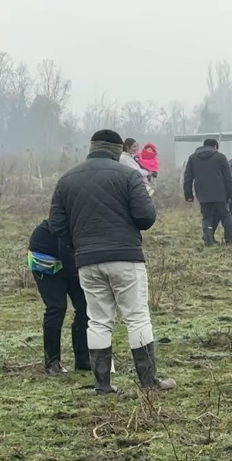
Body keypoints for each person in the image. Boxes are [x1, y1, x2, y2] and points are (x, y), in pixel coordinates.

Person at [48, 129, 174, 393]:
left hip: (87, 261)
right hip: (125, 257)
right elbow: (146, 218)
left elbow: (57, 225)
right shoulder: (129, 175)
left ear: (92, 147)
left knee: (98, 320)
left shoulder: (66, 179)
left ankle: (103, 385)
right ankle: (149, 382)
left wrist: (80, 246)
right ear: (119, 150)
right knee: (137, 318)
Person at [27, 219, 88, 375]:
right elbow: (65, 250)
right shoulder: (66, 215)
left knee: (85, 307)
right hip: (45, 258)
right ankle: (52, 363)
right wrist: (78, 274)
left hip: (69, 258)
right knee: (57, 308)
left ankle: (84, 361)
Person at [183, 139, 232, 246]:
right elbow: (228, 178)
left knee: (207, 217)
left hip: (203, 193)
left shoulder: (193, 158)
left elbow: (188, 178)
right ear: (215, 146)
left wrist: (188, 195)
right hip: (221, 193)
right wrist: (231, 194)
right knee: (226, 216)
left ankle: (208, 240)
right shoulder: (221, 157)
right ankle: (231, 241)